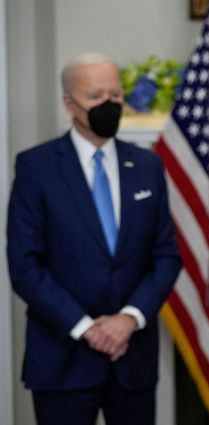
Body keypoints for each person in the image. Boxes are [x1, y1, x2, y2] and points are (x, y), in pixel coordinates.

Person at [7, 52, 182, 425]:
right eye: (95, 96)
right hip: (61, 358)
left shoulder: (148, 166)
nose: (108, 105)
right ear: (68, 103)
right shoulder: (35, 167)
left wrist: (128, 320)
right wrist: (88, 328)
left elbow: (166, 256)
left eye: (115, 96)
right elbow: (24, 265)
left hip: (131, 358)